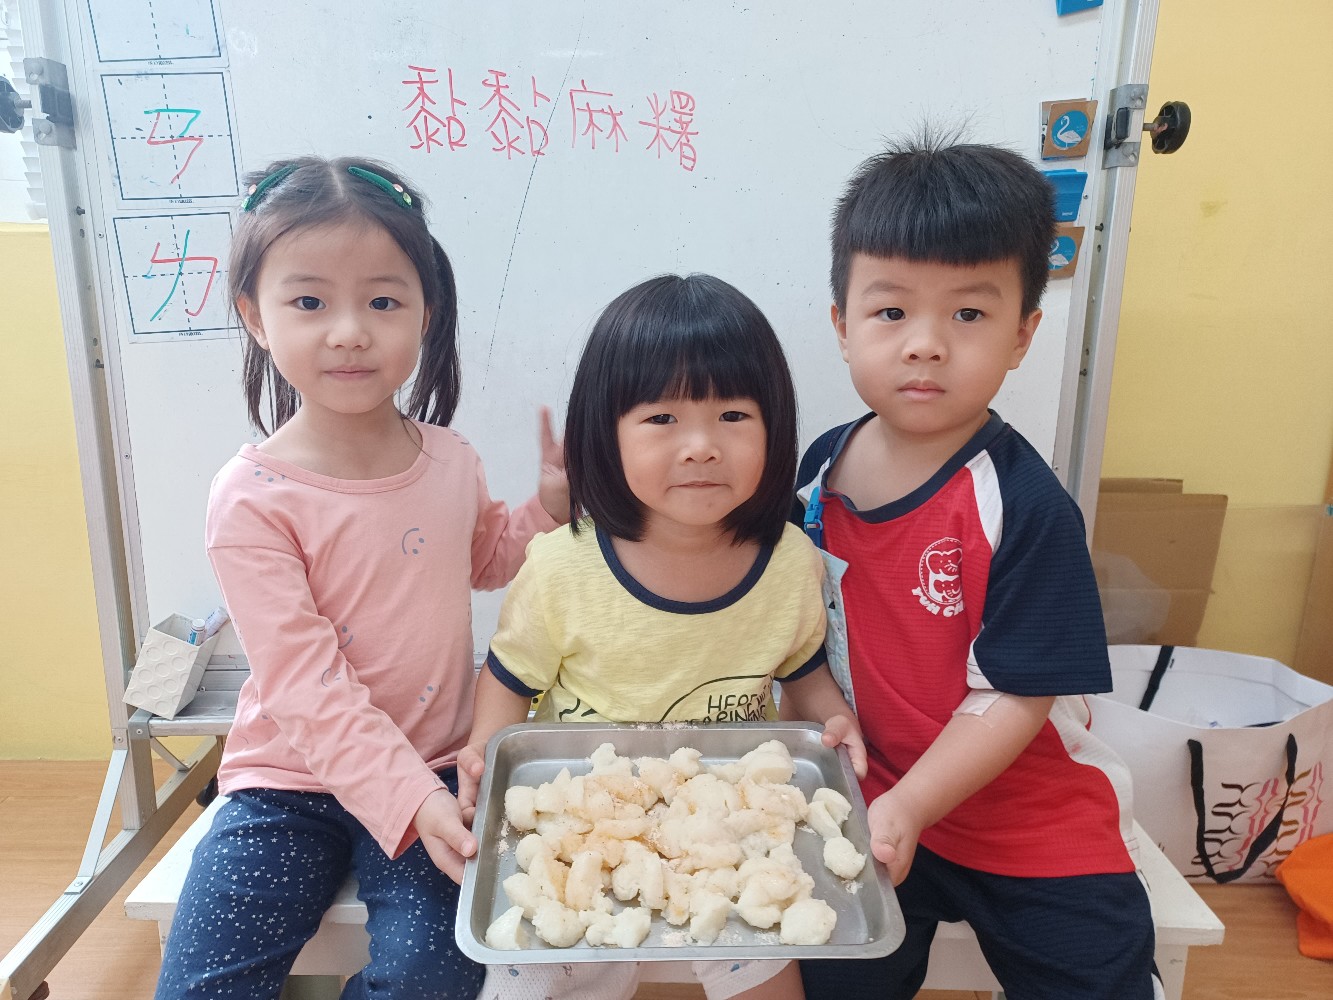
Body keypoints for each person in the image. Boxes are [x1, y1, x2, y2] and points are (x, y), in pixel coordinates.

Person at [153, 156, 568, 1000]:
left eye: (383, 302)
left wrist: (548, 510)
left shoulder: (449, 458)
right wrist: (407, 798)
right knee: (201, 986)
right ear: (255, 316)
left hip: (435, 766)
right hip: (285, 783)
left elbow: (485, 559)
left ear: (425, 313)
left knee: (435, 975)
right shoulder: (251, 496)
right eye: (309, 302)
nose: (349, 331)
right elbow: (304, 688)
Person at [792, 137, 1160, 1000]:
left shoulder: (1024, 505)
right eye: (890, 312)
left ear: (1022, 334)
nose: (924, 345)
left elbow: (1017, 697)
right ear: (841, 324)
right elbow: (793, 626)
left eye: (967, 314)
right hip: (873, 792)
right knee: (833, 976)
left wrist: (918, 802)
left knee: (1099, 980)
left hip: (1025, 817)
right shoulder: (816, 474)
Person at [456, 273, 867, 1000]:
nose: (701, 446)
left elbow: (802, 672)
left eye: (733, 415)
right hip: (581, 820)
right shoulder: (561, 567)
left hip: (727, 829)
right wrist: (485, 759)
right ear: (604, 434)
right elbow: (508, 679)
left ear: (775, 428)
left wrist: (835, 721)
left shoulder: (789, 564)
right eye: (662, 418)